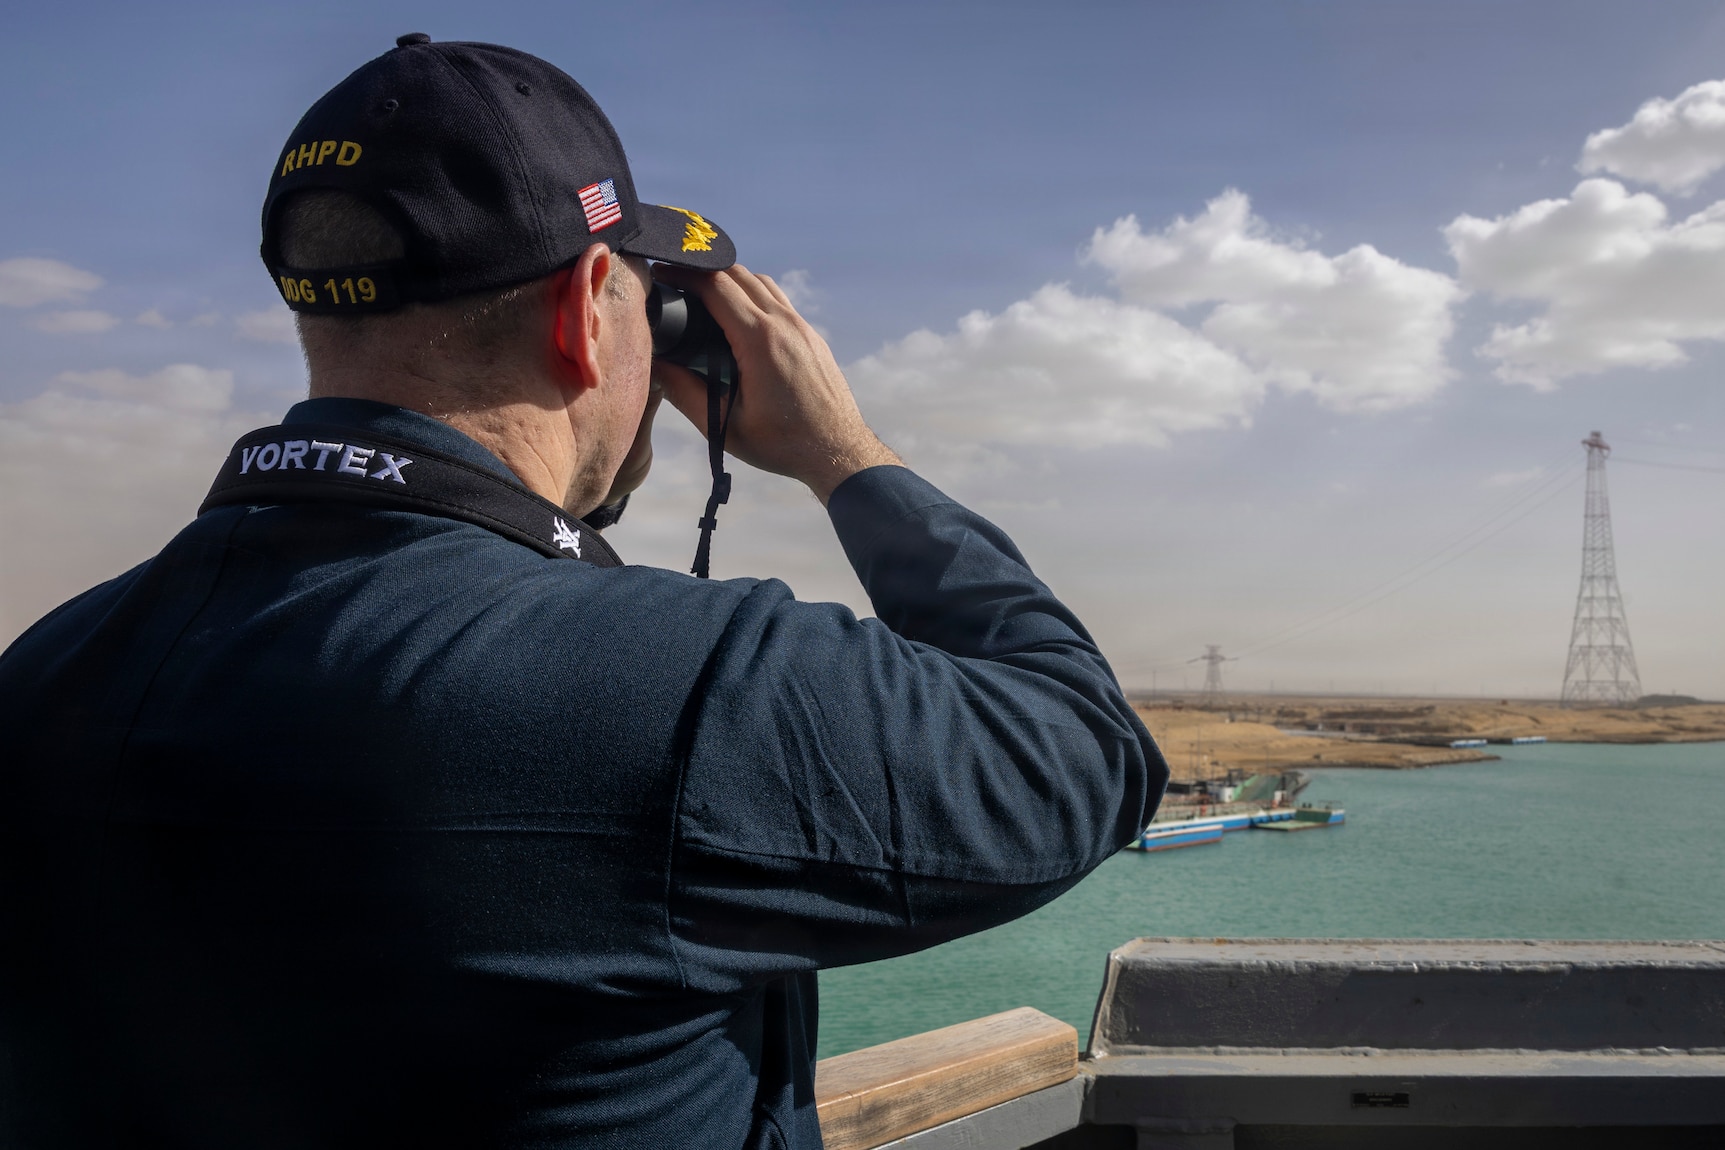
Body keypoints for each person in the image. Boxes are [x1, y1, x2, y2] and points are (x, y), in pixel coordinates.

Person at [0, 35, 1165, 1150]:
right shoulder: (683, 690)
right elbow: (1084, 750)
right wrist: (845, 456)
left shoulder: (45, 673)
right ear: (585, 307)